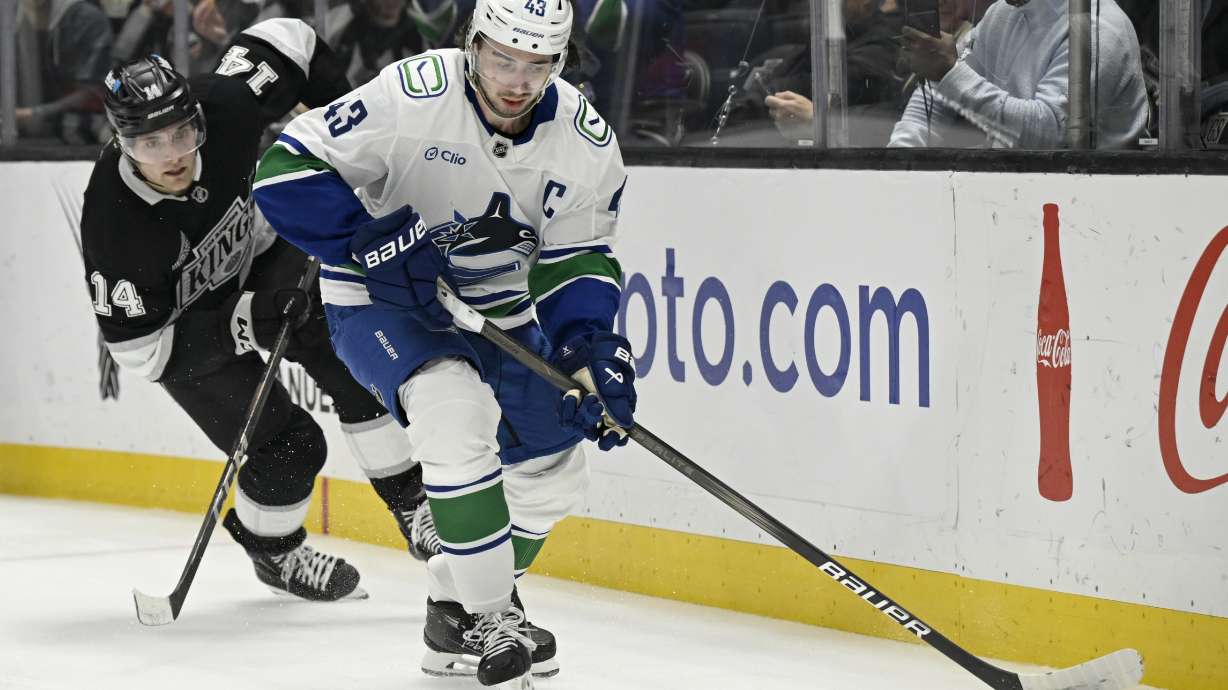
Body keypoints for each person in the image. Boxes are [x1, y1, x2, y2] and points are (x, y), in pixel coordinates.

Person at [252, 0, 636, 684]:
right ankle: (493, 615)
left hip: (499, 308)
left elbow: (578, 257)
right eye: (502, 59)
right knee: (450, 410)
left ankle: (452, 614)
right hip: (379, 300)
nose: (517, 81)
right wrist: (370, 243)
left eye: (537, 63)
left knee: (553, 474)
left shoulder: (584, 140)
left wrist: (587, 346)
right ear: (473, 43)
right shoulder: (410, 96)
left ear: (561, 61)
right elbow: (284, 171)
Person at [80, 19, 430, 604]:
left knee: (348, 353)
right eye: (148, 145)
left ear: (197, 118)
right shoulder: (115, 223)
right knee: (291, 446)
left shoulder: (228, 105)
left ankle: (414, 509)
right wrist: (244, 320)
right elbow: (141, 351)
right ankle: (274, 551)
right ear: (121, 142)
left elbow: (290, 36)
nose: (171, 157)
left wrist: (335, 122)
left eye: (180, 134)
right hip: (184, 333)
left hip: (259, 256)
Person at [889, 0, 1149, 148]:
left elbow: (1048, 134)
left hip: (1087, 207)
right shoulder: (1002, 13)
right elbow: (939, 90)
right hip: (1013, 188)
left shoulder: (1096, 28)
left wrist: (949, 72)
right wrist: (901, 157)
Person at [15, 0, 114, 143]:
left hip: (81, 123)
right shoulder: (15, 18)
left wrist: (31, 114)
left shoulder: (83, 18)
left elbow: (92, 90)